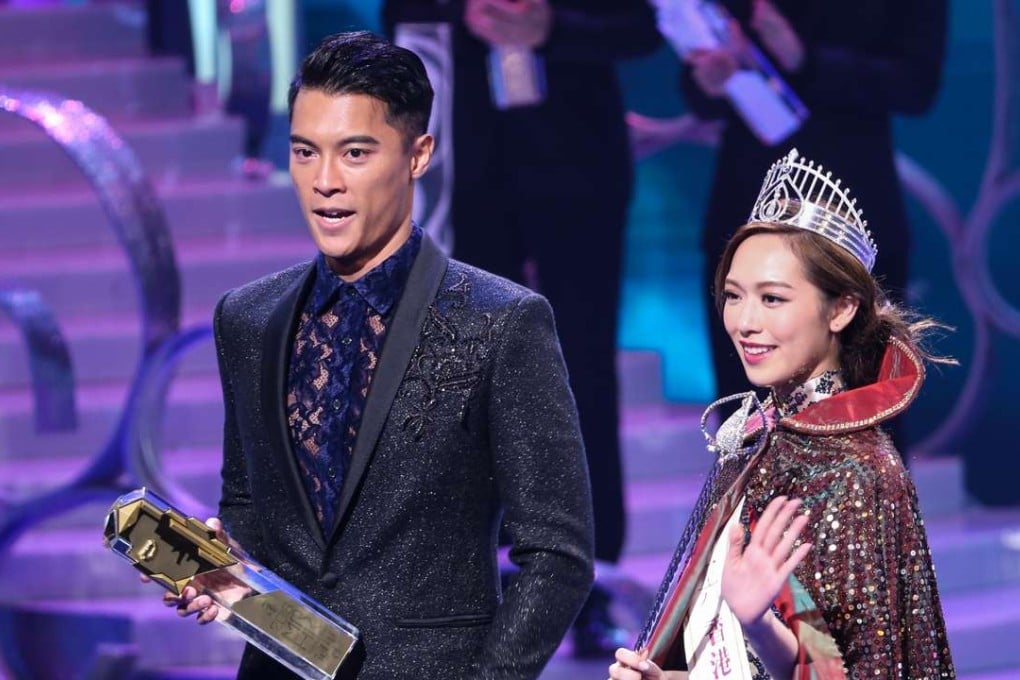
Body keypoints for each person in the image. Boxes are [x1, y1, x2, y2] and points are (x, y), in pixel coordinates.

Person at [163, 31, 595, 679]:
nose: (325, 182)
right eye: (305, 153)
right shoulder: (248, 318)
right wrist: (225, 567)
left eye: (355, 152)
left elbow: (558, 553)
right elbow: (251, 502)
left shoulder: (501, 321)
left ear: (418, 154)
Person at [380, 0, 661, 656]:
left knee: (583, 370)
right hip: (466, 165)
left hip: (578, 164)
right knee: (471, 376)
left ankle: (590, 582)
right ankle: (479, 579)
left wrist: (551, 27)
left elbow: (639, 26)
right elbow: (401, 21)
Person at [609, 148, 956, 678]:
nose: (744, 321)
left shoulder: (856, 470)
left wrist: (756, 622)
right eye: (732, 295)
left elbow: (848, 669)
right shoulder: (762, 432)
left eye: (772, 299)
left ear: (842, 308)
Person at [680, 0, 948, 405]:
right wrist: (709, 79)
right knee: (746, 411)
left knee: (864, 404)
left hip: (854, 214)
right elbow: (697, 79)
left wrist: (806, 60)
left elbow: (916, 85)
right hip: (749, 206)